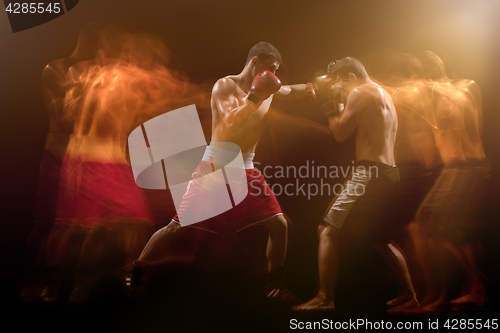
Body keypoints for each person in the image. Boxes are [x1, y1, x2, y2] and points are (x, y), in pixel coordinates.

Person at [130, 42, 308, 300]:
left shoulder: (271, 88)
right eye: (270, 68)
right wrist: (255, 96)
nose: (272, 75)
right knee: (176, 227)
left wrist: (312, 89)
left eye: (275, 71)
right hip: (216, 168)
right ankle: (137, 271)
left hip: (247, 169)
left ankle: (275, 286)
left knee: (279, 224)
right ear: (255, 62)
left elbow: (291, 90)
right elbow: (228, 128)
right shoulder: (225, 86)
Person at [294, 57, 414, 311]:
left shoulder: (359, 91)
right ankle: (410, 295)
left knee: (326, 229)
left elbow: (339, 133)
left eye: (342, 85)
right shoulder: (384, 92)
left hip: (369, 172)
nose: (343, 91)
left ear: (350, 76)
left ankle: (325, 298)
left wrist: (329, 102)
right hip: (390, 173)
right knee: (381, 239)